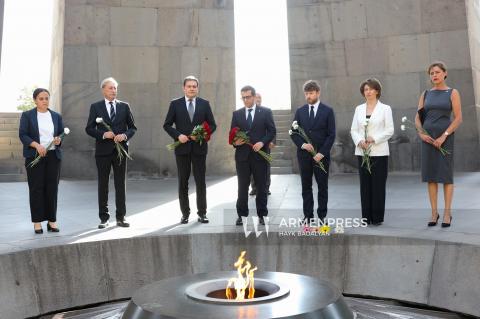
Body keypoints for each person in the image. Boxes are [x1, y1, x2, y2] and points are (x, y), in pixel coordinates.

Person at [163, 75, 217, 224]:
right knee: (183, 182)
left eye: (194, 86)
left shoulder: (204, 104)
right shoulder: (175, 104)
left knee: (201, 182)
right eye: (189, 86)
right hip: (182, 149)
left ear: (197, 88)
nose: (192, 88)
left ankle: (202, 213)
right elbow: (167, 125)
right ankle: (185, 214)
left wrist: (201, 135)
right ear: (184, 88)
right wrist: (178, 135)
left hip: (199, 149)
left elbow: (212, 125)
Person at [85, 77, 137, 229]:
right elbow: (89, 128)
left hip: (120, 152)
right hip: (103, 152)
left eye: (115, 88)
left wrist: (125, 135)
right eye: (110, 88)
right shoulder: (96, 107)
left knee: (120, 184)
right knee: (103, 184)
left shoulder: (124, 106)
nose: (114, 91)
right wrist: (102, 135)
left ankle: (121, 217)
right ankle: (104, 218)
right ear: (103, 90)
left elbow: (133, 127)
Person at [416, 61, 462, 228]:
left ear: (444, 73)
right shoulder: (425, 94)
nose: (434, 75)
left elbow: (458, 118)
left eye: (436, 72)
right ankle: (434, 212)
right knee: (431, 176)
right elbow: (418, 117)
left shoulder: (453, 92)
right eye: (431, 73)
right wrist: (421, 133)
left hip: (445, 138)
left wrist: (444, 136)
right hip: (428, 139)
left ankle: (447, 213)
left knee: (446, 175)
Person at [19, 88, 63, 234]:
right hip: (34, 156)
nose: (45, 101)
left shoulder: (56, 116)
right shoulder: (27, 115)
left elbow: (60, 134)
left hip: (53, 157)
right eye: (41, 98)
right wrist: (36, 145)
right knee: (36, 189)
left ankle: (52, 221)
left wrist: (58, 140)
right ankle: (37, 222)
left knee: (52, 189)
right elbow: (23, 135)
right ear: (35, 100)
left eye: (46, 98)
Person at [290, 80, 335, 223]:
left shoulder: (328, 111)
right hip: (304, 156)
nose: (308, 96)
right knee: (306, 186)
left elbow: (331, 134)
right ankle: (308, 216)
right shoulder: (300, 111)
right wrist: (302, 145)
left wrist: (321, 153)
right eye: (306, 93)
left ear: (317, 93)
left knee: (322, 187)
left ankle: (322, 216)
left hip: (321, 156)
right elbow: (294, 133)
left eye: (311, 93)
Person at [350, 78, 394, 226]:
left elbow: (390, 130)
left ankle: (377, 217)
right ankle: (366, 217)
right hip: (362, 152)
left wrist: (374, 138)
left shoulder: (385, 108)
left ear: (377, 91)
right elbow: (354, 130)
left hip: (379, 152)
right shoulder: (358, 109)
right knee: (365, 185)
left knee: (378, 185)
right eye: (365, 89)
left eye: (370, 89)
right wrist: (359, 141)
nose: (367, 92)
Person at [231, 85, 276, 226]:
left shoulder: (266, 112)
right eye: (243, 97)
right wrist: (235, 142)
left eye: (248, 97)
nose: (245, 100)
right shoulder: (236, 114)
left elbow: (272, 131)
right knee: (242, 187)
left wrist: (263, 142)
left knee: (262, 186)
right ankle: (241, 215)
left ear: (254, 96)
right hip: (242, 157)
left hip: (260, 155)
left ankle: (262, 215)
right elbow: (232, 134)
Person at [249, 92, 274, 196]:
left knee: (266, 168)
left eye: (260, 98)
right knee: (252, 168)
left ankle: (266, 187)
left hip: (265, 145)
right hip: (251, 146)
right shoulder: (248, 112)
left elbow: (272, 128)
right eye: (257, 97)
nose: (258, 99)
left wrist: (272, 141)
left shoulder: (266, 111)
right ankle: (254, 188)